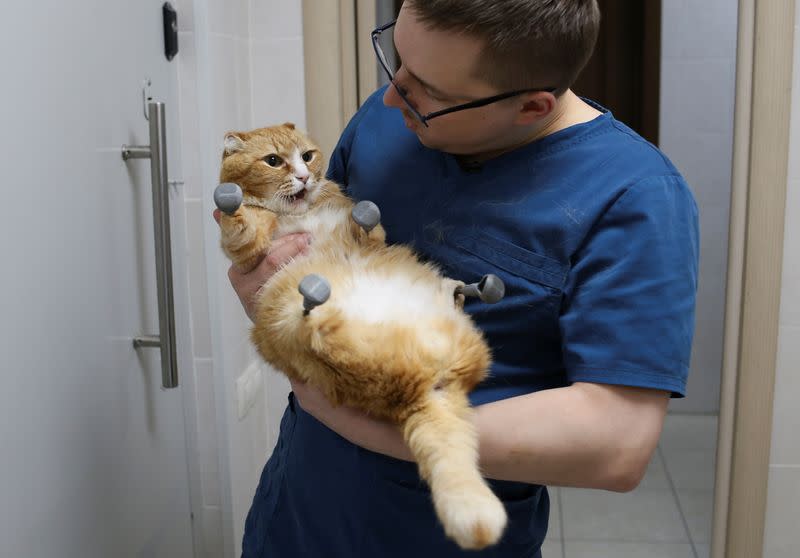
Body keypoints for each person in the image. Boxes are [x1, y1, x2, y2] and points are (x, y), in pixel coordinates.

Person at [217, 1, 699, 556]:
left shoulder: (636, 198)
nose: (392, 95)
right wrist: (263, 283)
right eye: (395, 58)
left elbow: (615, 444)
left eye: (429, 92)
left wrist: (354, 417)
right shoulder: (387, 118)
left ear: (532, 106)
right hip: (296, 515)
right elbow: (312, 257)